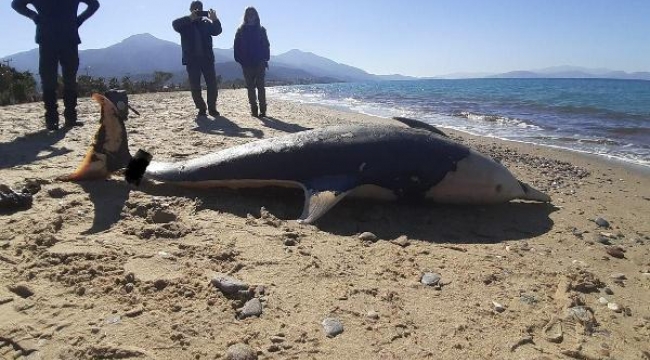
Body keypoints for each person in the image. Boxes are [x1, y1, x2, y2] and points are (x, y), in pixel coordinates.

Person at [12, 0, 100, 130]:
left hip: (54, 36)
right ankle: (61, 118)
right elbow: (16, 4)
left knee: (56, 78)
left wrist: (34, 17)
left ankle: (60, 119)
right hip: (59, 36)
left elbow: (94, 4)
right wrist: (78, 20)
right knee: (56, 78)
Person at [172, 1, 222, 117]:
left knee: (212, 85)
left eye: (199, 9)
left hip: (207, 59)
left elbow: (217, 31)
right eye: (195, 9)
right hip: (192, 60)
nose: (197, 10)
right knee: (195, 86)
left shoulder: (206, 23)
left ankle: (212, 108)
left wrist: (215, 19)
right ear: (191, 10)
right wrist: (190, 18)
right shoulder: (184, 25)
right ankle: (201, 108)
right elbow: (174, 24)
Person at [234, 7, 270, 118]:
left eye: (253, 14)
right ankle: (254, 110)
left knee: (260, 87)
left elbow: (266, 45)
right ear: (245, 16)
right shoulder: (240, 31)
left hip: (260, 62)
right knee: (250, 88)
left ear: (256, 16)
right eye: (249, 14)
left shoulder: (261, 30)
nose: (251, 16)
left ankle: (263, 111)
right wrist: (241, 61)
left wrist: (265, 59)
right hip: (247, 64)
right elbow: (236, 48)